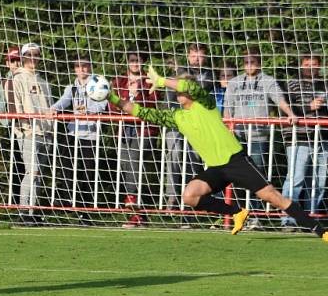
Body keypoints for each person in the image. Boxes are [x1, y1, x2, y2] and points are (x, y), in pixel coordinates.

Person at [108, 65, 328, 244]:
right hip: (217, 168)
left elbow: (189, 87)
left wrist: (161, 80)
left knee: (273, 197)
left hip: (236, 160)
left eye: (179, 87)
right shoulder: (177, 116)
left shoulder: (206, 103)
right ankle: (238, 212)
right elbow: (140, 112)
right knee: (190, 196)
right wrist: (112, 98)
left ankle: (321, 231)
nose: (178, 91)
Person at [223, 47, 298, 213]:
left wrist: (290, 113)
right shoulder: (235, 82)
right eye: (246, 62)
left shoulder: (268, 81)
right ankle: (234, 211)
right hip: (237, 135)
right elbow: (227, 107)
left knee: (256, 175)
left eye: (253, 62)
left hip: (258, 136)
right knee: (233, 174)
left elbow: (279, 99)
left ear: (259, 63)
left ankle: (255, 213)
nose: (249, 65)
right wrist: (227, 128)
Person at [50, 56, 108, 224]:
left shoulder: (98, 84)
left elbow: (101, 106)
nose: (81, 69)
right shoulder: (72, 87)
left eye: (84, 66)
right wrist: (53, 108)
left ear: (89, 67)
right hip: (73, 133)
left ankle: (85, 211)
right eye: (77, 66)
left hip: (90, 135)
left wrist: (88, 111)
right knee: (67, 168)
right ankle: (68, 200)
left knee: (87, 175)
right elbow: (64, 101)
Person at [280, 54, 328, 227]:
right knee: (295, 179)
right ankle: (288, 219)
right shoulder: (292, 84)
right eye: (307, 64)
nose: (311, 67)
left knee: (318, 182)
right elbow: (287, 108)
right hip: (299, 138)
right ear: (301, 65)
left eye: (314, 64)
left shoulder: (325, 84)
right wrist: (309, 107)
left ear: (319, 66)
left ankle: (312, 219)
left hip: (322, 138)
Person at [163, 43, 214, 210]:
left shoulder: (210, 75)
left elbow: (201, 92)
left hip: (197, 124)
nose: (196, 58)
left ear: (205, 57)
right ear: (188, 56)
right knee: (175, 154)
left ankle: (194, 197)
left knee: (195, 158)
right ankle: (172, 196)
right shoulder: (180, 73)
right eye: (193, 55)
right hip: (177, 122)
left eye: (199, 55)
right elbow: (170, 97)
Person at [111, 50, 158, 227]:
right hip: (124, 130)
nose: (135, 63)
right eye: (132, 60)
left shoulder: (149, 81)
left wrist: (137, 94)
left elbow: (152, 105)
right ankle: (141, 214)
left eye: (138, 60)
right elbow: (112, 105)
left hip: (144, 130)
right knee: (127, 168)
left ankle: (132, 206)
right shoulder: (119, 81)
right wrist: (125, 97)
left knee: (134, 163)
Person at [11, 42, 54, 224]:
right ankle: (24, 211)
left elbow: (49, 107)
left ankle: (33, 210)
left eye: (36, 54)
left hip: (45, 133)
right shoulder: (18, 78)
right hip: (28, 132)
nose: (33, 58)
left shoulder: (43, 81)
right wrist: (25, 126)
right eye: (29, 54)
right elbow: (16, 106)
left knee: (39, 175)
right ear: (23, 57)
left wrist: (50, 128)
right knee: (31, 172)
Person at [0, 46, 26, 205]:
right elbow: (1, 106)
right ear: (7, 63)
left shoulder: (28, 77)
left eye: (18, 60)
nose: (15, 63)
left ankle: (31, 204)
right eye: (12, 61)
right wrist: (7, 122)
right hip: (13, 128)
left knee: (32, 167)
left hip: (29, 126)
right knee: (16, 165)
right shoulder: (5, 82)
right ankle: (17, 202)